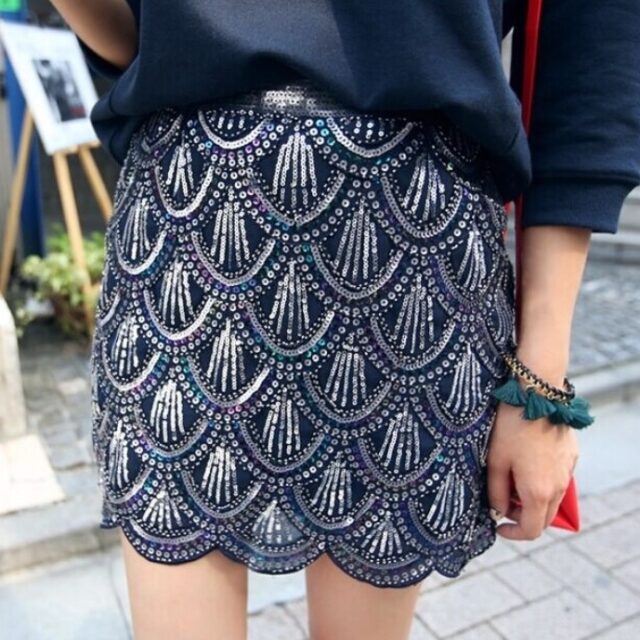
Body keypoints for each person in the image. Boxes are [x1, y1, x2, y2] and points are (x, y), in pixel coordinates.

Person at [51, 2, 640, 639]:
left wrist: (541, 382)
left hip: (409, 245)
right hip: (193, 227)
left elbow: (587, 50)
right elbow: (141, 39)